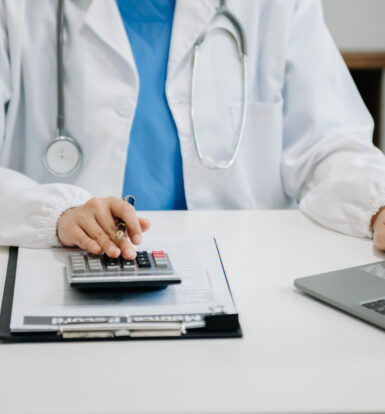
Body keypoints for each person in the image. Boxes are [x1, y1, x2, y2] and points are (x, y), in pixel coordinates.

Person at [1, 0, 385, 260]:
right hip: (66, 269)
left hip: (248, 276)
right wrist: (57, 214)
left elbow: (328, 142)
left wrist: (377, 204)